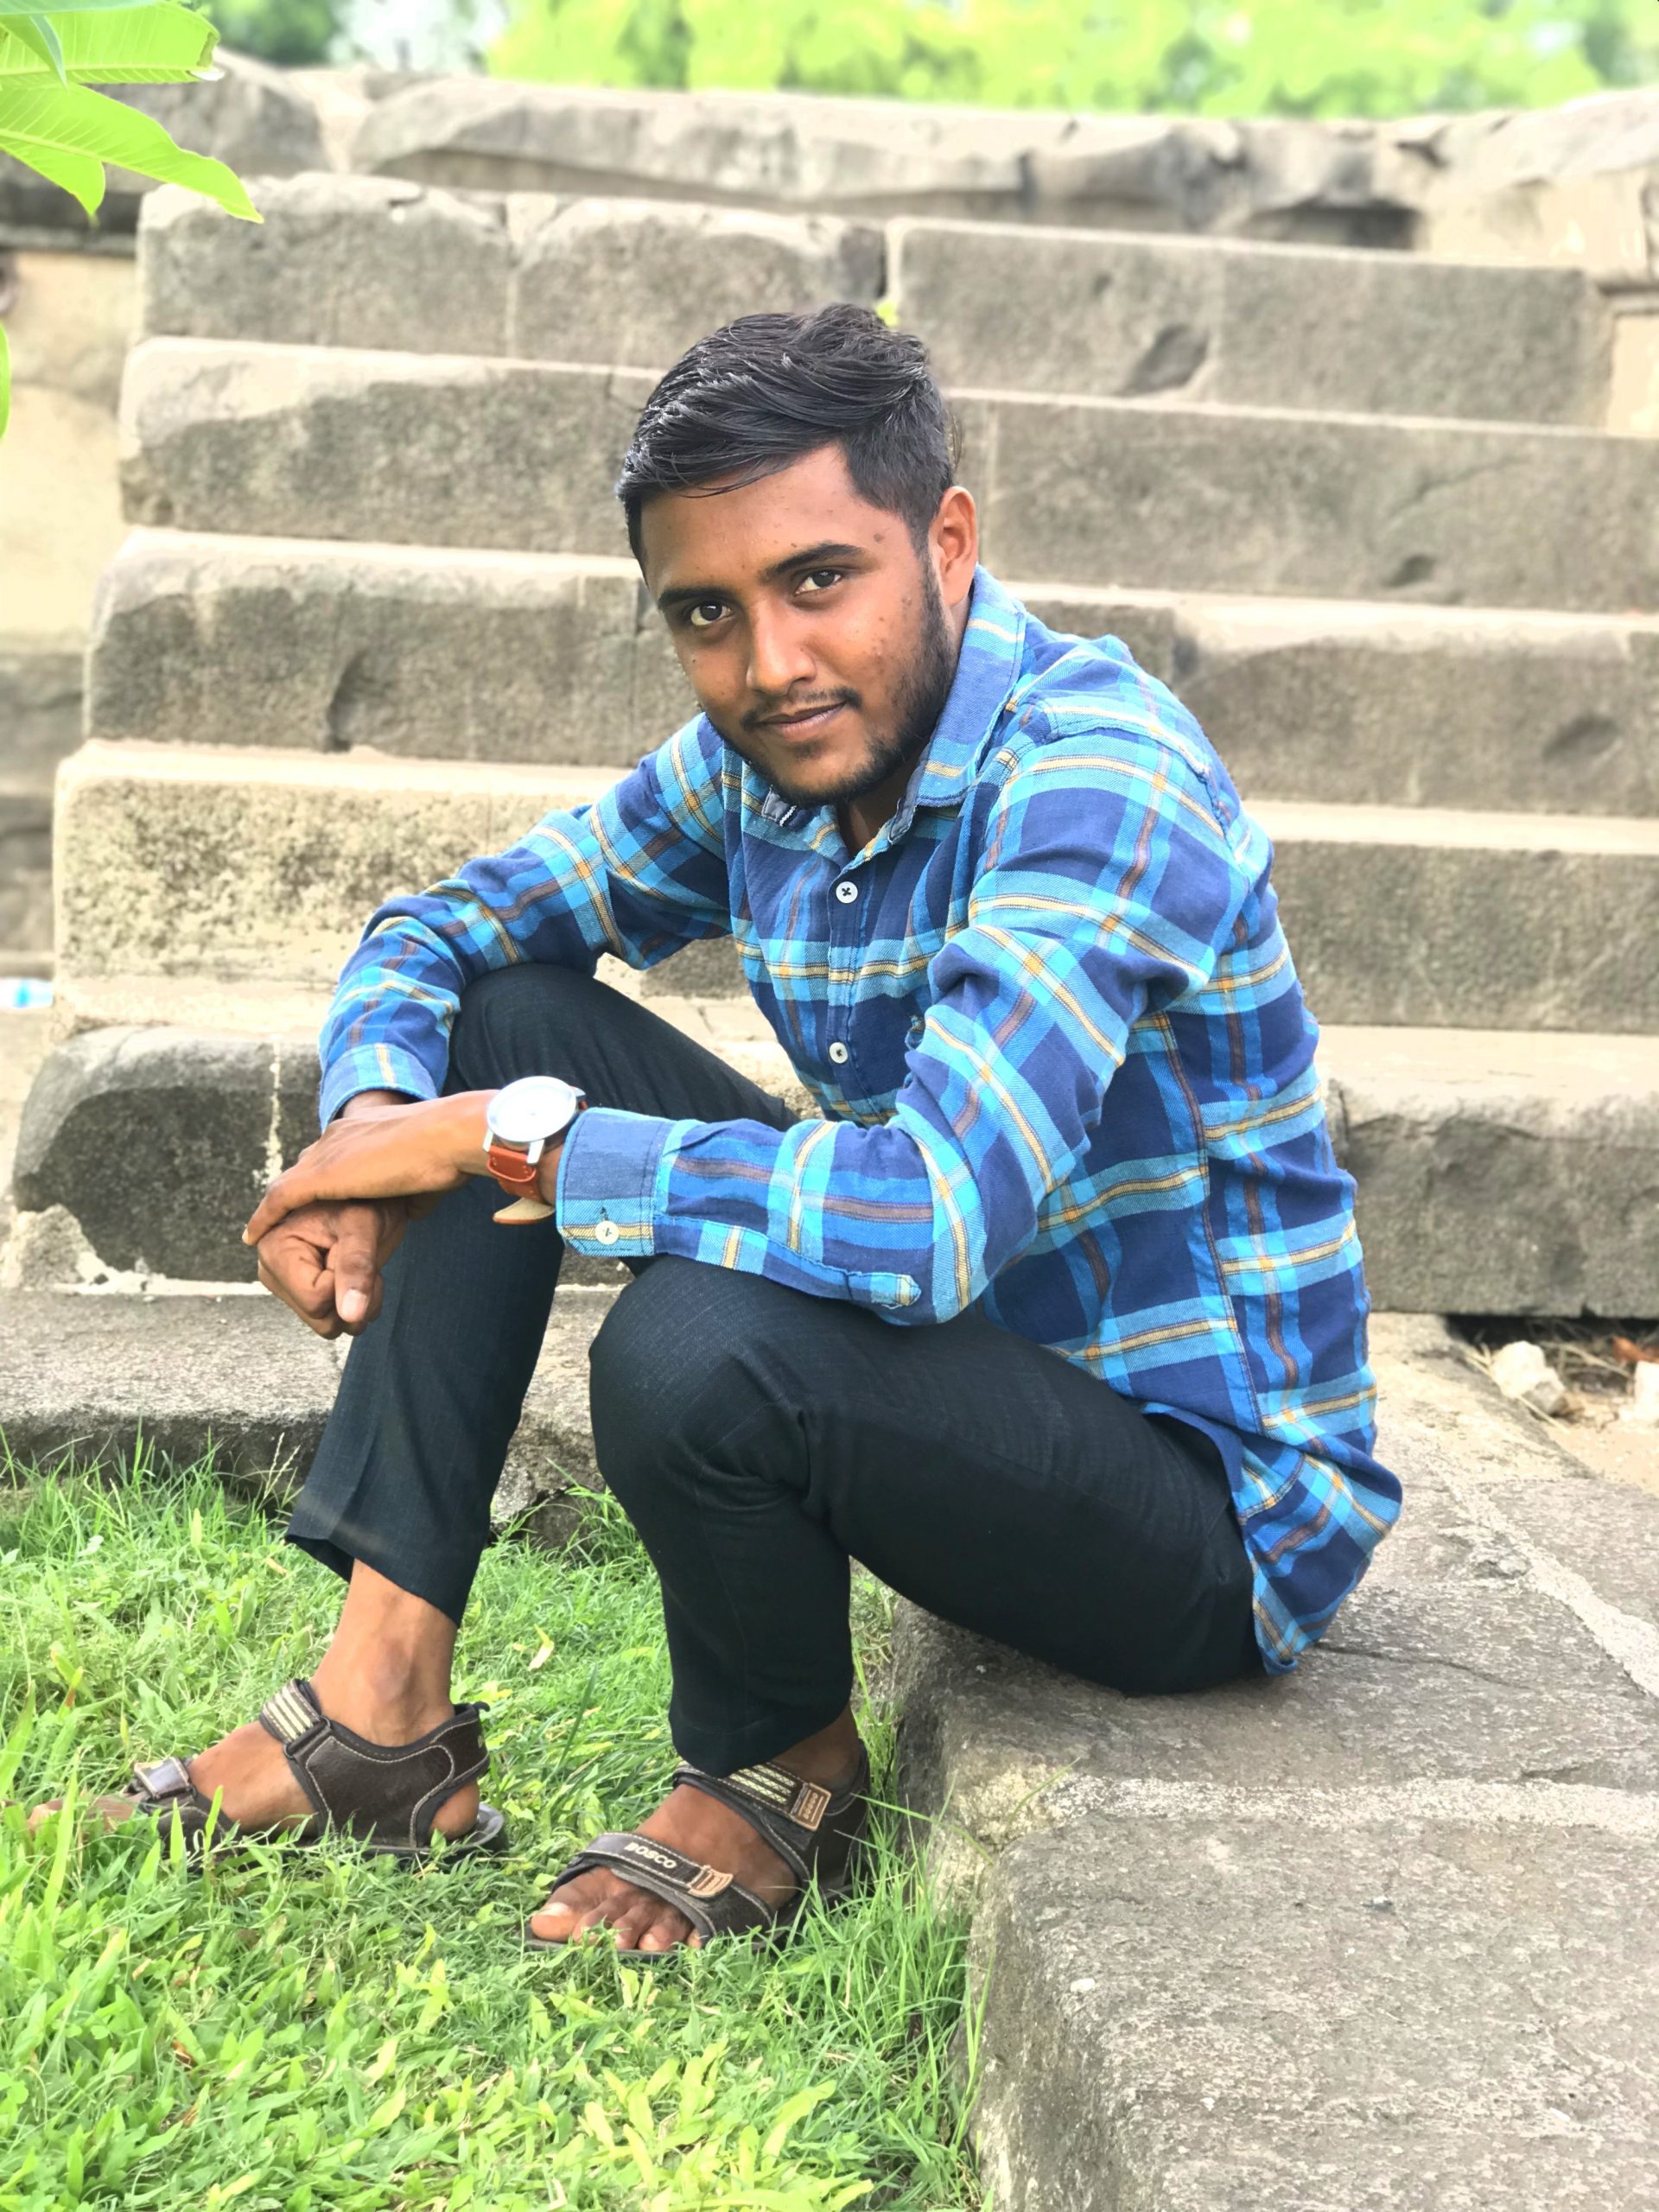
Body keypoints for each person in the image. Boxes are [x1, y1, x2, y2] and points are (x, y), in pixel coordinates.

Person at [51, 304, 1400, 1955]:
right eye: (708, 611)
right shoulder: (764, 758)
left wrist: (500, 1146)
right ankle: (379, 1715)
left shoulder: (1096, 774)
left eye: (819, 578)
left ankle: (777, 1764)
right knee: (511, 1020)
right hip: (966, 1363)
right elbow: (445, 931)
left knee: (700, 1334)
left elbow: (922, 1222)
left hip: (1203, 1512)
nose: (770, 662)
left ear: (948, 542)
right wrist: (383, 1118)